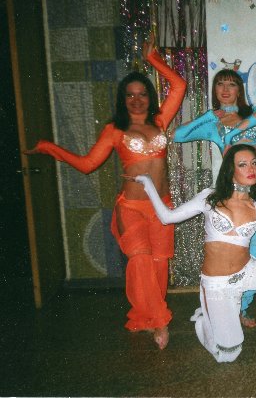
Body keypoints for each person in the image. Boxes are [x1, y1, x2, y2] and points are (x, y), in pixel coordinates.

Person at [24, 34, 186, 350]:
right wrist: (50, 148)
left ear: (150, 96)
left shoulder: (160, 120)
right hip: (131, 208)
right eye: (130, 95)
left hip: (161, 207)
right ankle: (159, 321)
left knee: (158, 263)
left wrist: (152, 59)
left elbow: (178, 86)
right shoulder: (114, 130)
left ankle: (145, 315)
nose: (136, 99)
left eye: (142, 93)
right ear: (122, 99)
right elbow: (87, 165)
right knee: (140, 260)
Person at [132, 144, 256, 362]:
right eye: (242, 164)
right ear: (230, 170)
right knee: (229, 354)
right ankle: (205, 321)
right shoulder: (210, 198)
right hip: (218, 285)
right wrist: (148, 184)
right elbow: (167, 217)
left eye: (254, 163)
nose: (251, 168)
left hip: (249, 272)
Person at [172, 68, 256, 328]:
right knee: (233, 250)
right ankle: (235, 309)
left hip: (255, 191)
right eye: (220, 84)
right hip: (230, 194)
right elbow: (178, 135)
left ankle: (242, 303)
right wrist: (207, 116)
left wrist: (235, 131)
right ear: (214, 90)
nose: (225, 89)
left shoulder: (252, 114)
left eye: (231, 84)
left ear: (239, 90)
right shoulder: (213, 124)